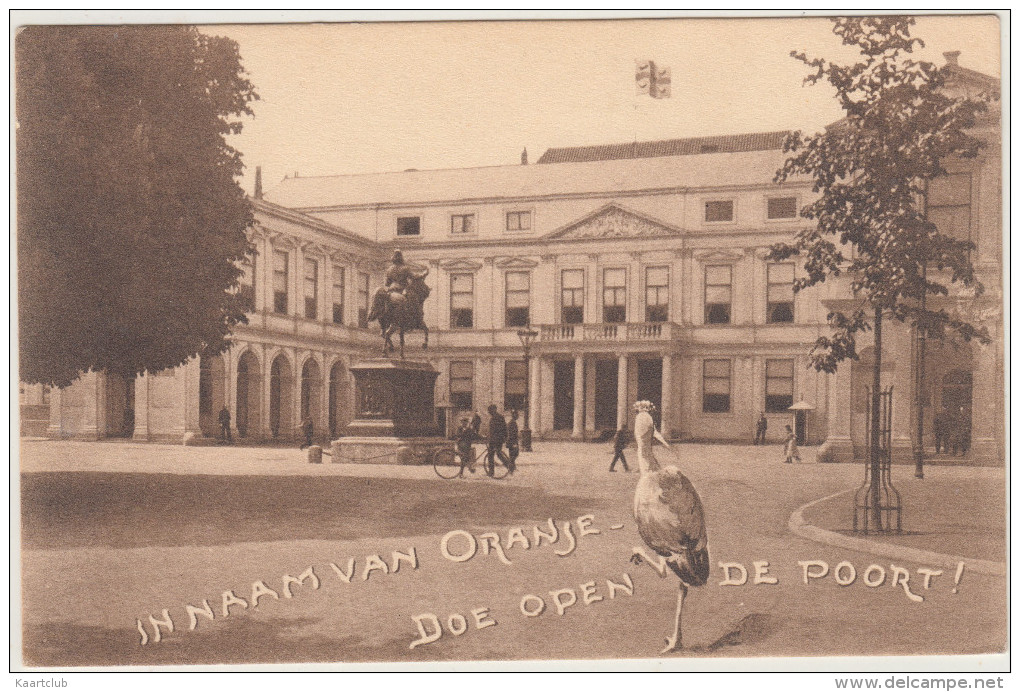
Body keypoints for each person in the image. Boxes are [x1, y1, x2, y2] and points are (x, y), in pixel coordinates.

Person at [485, 404, 512, 477]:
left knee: (493, 455)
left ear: (494, 410)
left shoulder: (498, 417)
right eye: (489, 411)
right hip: (495, 439)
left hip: (496, 440)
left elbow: (504, 428)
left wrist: (505, 438)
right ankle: (509, 467)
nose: (489, 412)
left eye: (490, 410)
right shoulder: (496, 417)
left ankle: (492, 472)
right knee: (497, 454)